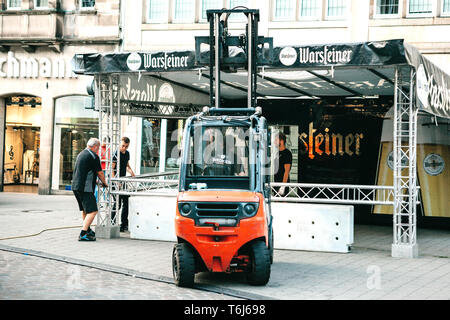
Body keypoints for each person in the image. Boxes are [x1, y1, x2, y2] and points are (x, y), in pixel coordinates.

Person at [72, 138, 108, 241]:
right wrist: (105, 183)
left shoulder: (81, 154)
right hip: (85, 188)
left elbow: (83, 171)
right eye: (99, 147)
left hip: (76, 186)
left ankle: (87, 229)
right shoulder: (94, 156)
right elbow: (100, 173)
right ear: (95, 146)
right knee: (93, 211)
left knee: (85, 210)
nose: (99, 149)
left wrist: (95, 181)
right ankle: (83, 233)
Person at [112, 137, 135, 232]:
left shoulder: (127, 153)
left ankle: (123, 224)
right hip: (116, 181)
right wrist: (115, 182)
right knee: (117, 204)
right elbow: (111, 169)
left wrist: (131, 172)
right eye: (123, 146)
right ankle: (112, 222)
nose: (124, 148)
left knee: (126, 201)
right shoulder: (116, 153)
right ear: (120, 144)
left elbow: (126, 165)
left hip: (123, 180)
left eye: (126, 146)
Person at [273, 131, 292, 196]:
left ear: (281, 141)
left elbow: (286, 171)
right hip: (276, 182)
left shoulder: (287, 153)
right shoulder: (277, 153)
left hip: (282, 184)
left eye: (276, 140)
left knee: (283, 202)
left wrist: (283, 186)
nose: (274, 142)